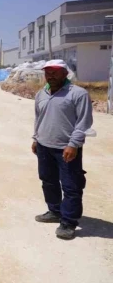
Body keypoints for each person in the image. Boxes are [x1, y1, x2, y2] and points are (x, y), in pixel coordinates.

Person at [32, 59, 93, 240]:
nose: (50, 75)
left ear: (65, 73)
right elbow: (38, 118)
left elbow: (84, 123)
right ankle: (55, 211)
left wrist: (73, 144)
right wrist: (36, 138)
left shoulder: (78, 94)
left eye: (55, 71)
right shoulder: (41, 94)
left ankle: (68, 222)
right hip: (44, 146)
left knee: (71, 186)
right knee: (48, 181)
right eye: (48, 72)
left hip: (66, 148)